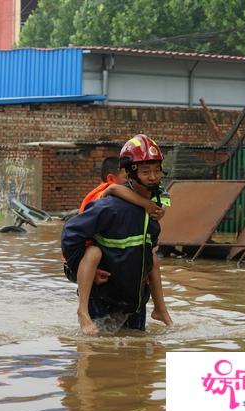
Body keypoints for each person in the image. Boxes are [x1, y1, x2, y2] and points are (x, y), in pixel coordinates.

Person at [61, 134, 173, 336]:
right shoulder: (109, 207)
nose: (153, 177)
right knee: (98, 352)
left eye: (157, 170)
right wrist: (84, 269)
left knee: (138, 350)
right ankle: (83, 312)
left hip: (135, 297)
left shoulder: (156, 204)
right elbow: (70, 234)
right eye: (146, 171)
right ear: (129, 173)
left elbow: (151, 238)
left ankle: (160, 309)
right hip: (104, 295)